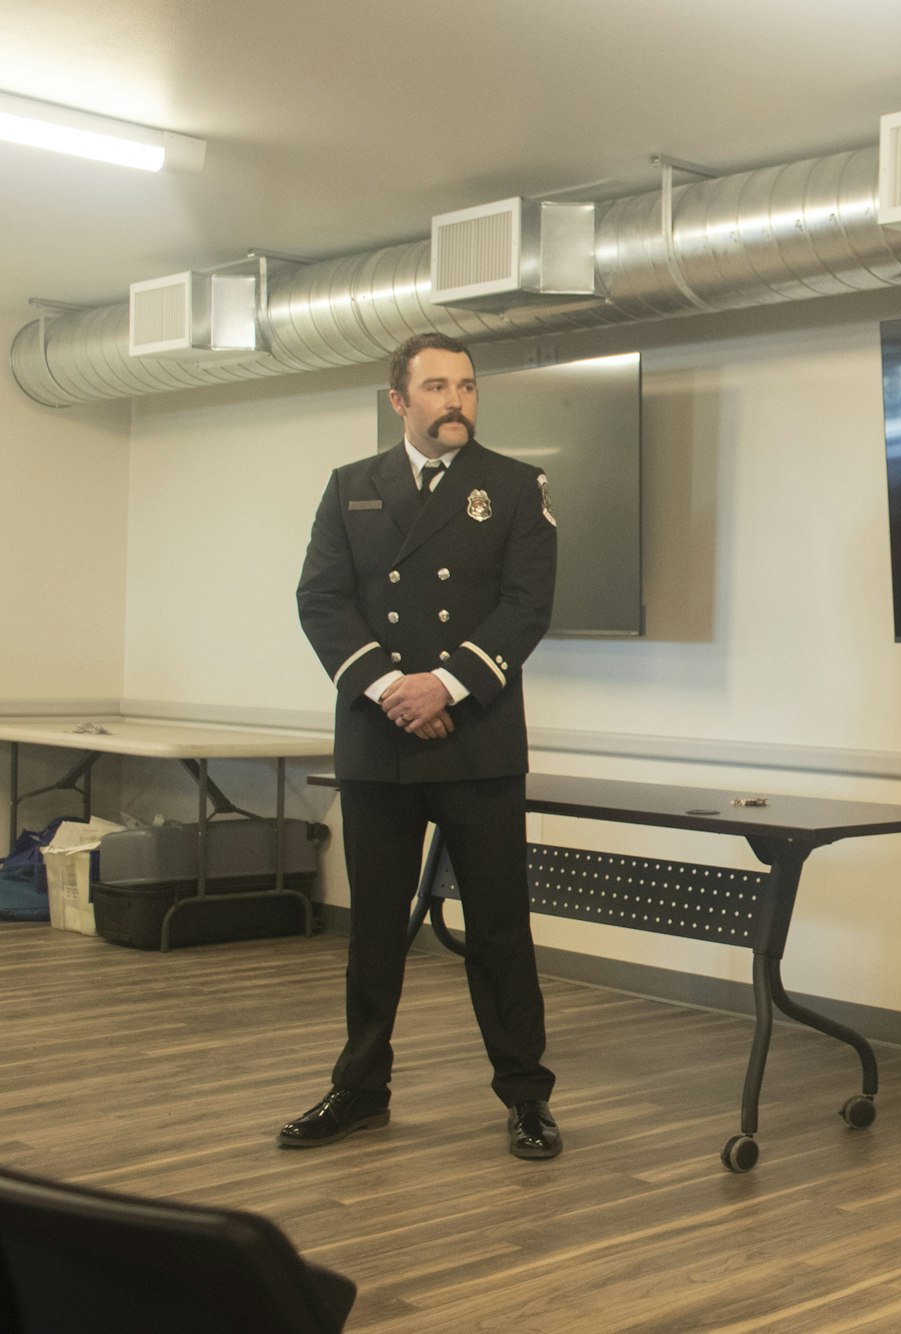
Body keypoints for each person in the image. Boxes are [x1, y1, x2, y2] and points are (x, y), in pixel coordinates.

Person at [283, 331, 563, 1159]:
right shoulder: (351, 487)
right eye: (437, 387)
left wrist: (443, 685)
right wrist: (390, 691)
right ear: (399, 401)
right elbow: (321, 600)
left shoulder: (514, 486)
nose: (456, 401)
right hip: (380, 737)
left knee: (500, 929)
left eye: (467, 386)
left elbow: (527, 605)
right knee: (373, 927)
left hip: (477, 737)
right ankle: (359, 1090)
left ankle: (526, 1096)